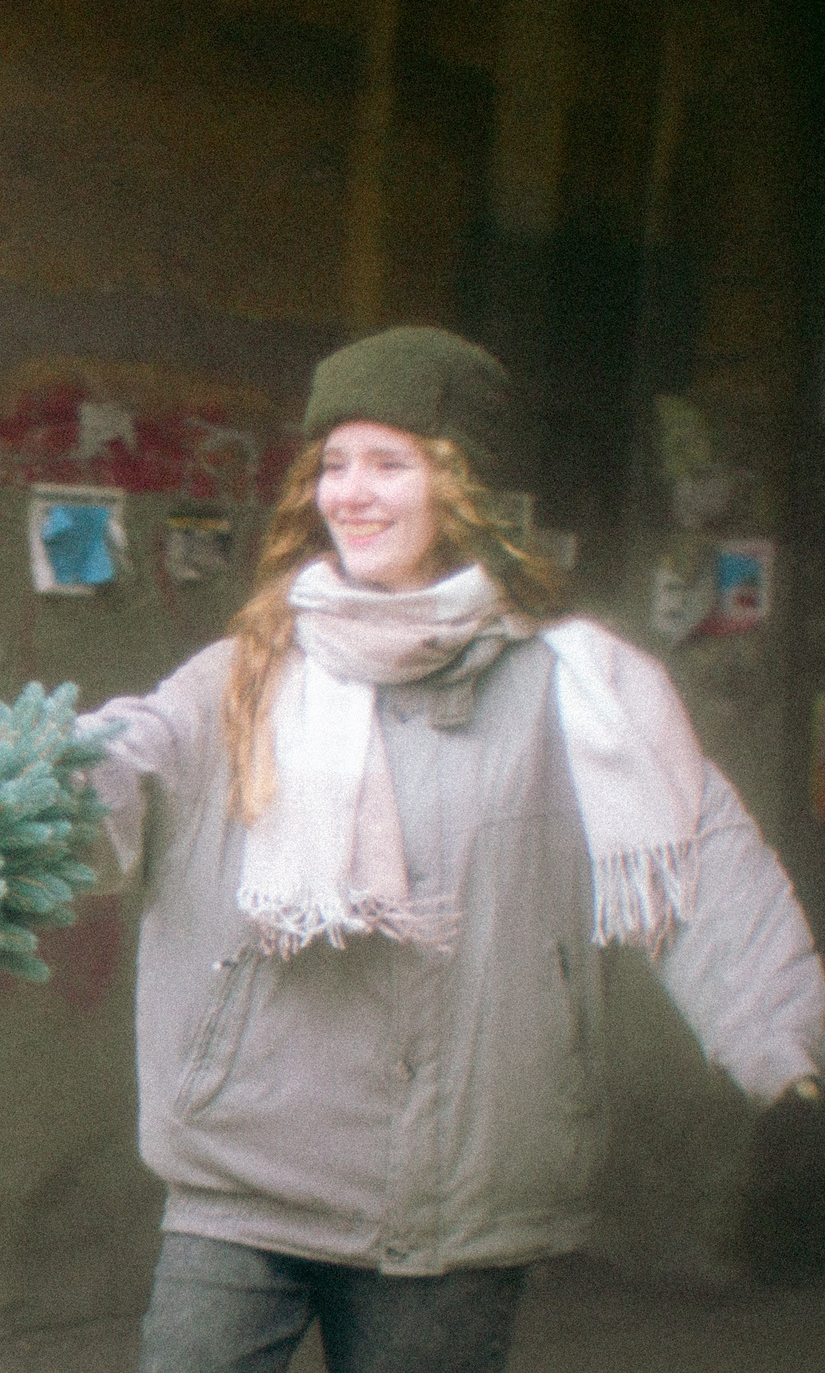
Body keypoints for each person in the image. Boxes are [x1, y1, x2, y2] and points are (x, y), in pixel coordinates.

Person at [83, 326, 825, 1373]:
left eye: (391, 462)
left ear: (460, 486)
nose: (353, 492)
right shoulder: (239, 674)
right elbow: (120, 766)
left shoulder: (575, 692)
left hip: (455, 1193)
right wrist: (35, 788)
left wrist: (790, 1041)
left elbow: (699, 859)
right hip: (243, 1170)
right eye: (334, 463)